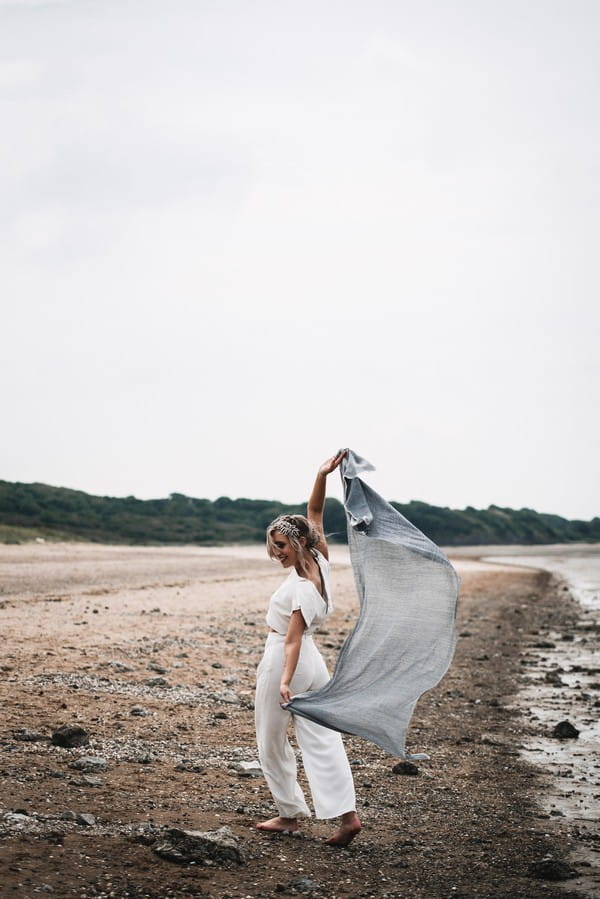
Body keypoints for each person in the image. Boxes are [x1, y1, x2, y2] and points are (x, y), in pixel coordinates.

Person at [254, 450, 361, 846]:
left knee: (270, 737)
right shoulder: (320, 558)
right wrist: (321, 475)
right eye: (273, 546)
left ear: (298, 542)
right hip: (316, 664)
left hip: (287, 656)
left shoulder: (300, 586)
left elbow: (293, 638)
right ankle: (347, 818)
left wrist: (283, 680)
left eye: (281, 545)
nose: (276, 552)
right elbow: (315, 512)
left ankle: (289, 814)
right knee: (322, 739)